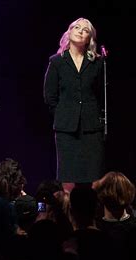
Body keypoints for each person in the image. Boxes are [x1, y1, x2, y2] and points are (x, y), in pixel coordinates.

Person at [43, 17, 105, 191]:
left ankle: (94, 214)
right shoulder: (56, 62)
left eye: (85, 30)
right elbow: (50, 96)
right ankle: (68, 214)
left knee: (95, 176)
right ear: (69, 32)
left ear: (89, 39)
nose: (80, 31)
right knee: (68, 176)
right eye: (77, 27)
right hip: (66, 128)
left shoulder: (97, 62)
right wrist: (63, 114)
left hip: (91, 126)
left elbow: (101, 93)